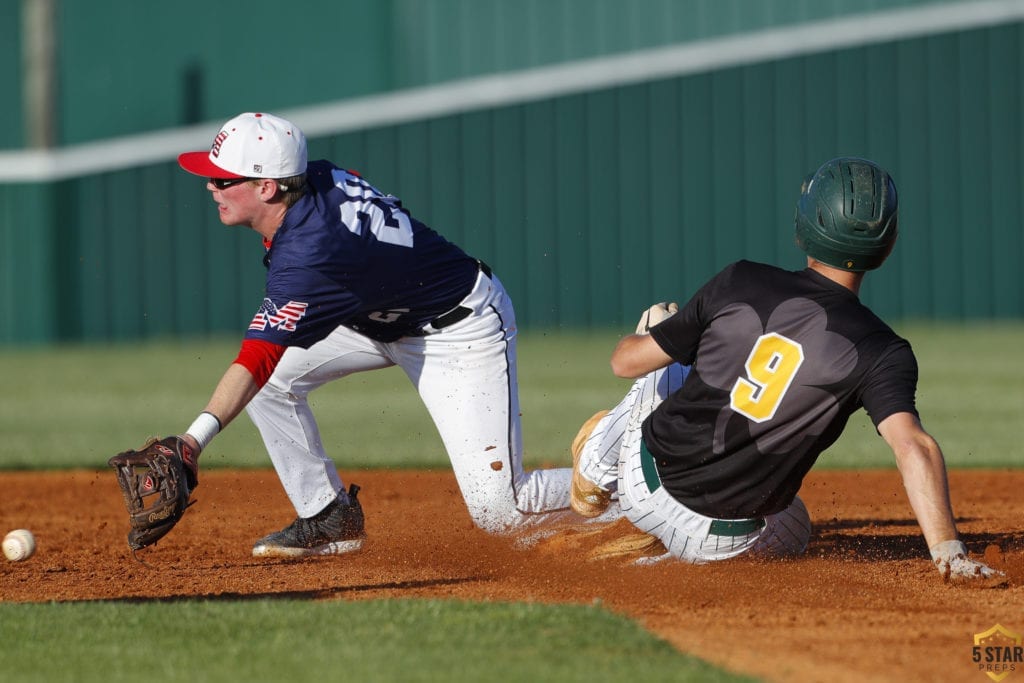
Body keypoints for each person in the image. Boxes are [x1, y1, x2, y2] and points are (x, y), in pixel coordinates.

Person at [570, 157, 1002, 583]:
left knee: (660, 342)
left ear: (808, 223)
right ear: (886, 243)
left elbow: (623, 363)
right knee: (794, 524)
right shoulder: (884, 350)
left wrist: (655, 331)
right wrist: (950, 552)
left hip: (642, 484)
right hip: (717, 543)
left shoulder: (740, 279)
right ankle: (658, 569)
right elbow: (914, 447)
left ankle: (595, 466)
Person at [167, 111, 578, 557]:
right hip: (371, 317)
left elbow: (256, 357)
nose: (210, 186)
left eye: (222, 179)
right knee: (270, 386)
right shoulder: (313, 177)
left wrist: (191, 442)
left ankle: (637, 483)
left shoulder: (309, 254)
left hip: (456, 329)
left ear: (267, 187)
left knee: (502, 510)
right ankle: (329, 518)